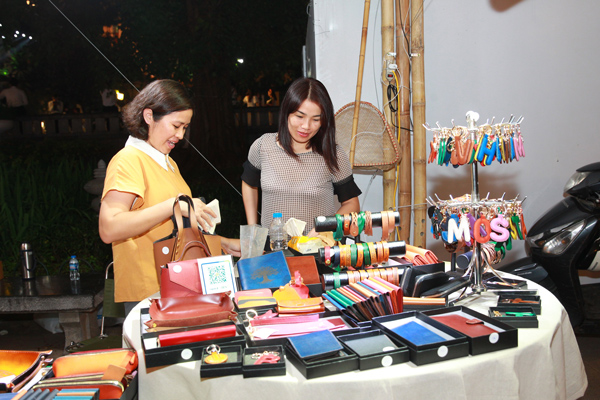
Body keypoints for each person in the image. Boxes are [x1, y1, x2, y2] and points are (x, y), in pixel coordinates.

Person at [99, 79, 240, 310]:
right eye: (176, 126)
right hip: (149, 293)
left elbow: (176, 231)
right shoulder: (129, 160)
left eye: (185, 127)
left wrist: (225, 244)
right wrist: (173, 205)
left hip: (180, 285)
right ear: (148, 116)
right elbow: (109, 228)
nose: (181, 135)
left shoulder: (168, 162)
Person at [241, 77, 361, 236]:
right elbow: (249, 183)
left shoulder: (333, 155)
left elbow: (352, 204)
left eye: (315, 119)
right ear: (286, 113)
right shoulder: (263, 146)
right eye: (299, 116)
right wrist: (252, 228)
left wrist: (324, 228)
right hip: (272, 249)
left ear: (324, 121)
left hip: (318, 250)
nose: (306, 126)